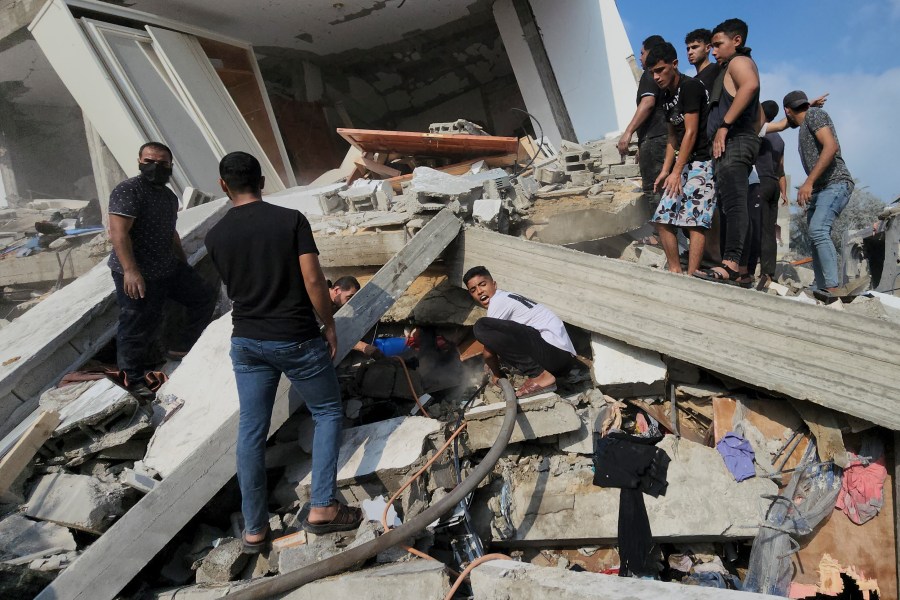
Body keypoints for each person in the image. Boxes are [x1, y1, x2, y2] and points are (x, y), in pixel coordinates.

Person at [205, 151, 362, 553]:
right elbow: (313, 280)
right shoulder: (289, 220)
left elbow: (234, 289)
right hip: (294, 337)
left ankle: (255, 531)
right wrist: (329, 324)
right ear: (261, 181)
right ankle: (323, 506)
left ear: (223, 186)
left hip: (247, 342)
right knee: (327, 411)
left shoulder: (215, 236)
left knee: (251, 434)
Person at [107, 142, 215, 402]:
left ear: (170, 167)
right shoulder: (128, 191)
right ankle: (132, 380)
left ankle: (181, 346)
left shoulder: (168, 197)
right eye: (149, 161)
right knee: (136, 321)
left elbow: (172, 233)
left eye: (162, 163)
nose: (155, 167)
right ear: (139, 161)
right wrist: (131, 271)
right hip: (137, 271)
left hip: (166, 266)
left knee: (203, 296)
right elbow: (118, 233)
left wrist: (183, 263)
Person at [693, 18, 761, 285]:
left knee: (733, 205)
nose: (714, 50)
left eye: (718, 44)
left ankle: (730, 264)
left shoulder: (739, 62)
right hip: (733, 143)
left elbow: (751, 86)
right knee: (730, 204)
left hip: (733, 142)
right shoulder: (730, 66)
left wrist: (725, 126)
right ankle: (741, 268)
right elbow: (760, 116)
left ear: (737, 41)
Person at [769, 91, 854, 292]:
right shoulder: (807, 120)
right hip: (822, 187)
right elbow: (779, 125)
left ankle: (832, 287)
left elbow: (830, 146)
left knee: (818, 230)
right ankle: (823, 286)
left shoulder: (815, 116)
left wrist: (808, 182)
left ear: (787, 110)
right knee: (814, 235)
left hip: (835, 183)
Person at [645, 42, 715, 276]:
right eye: (652, 72)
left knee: (694, 221)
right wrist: (666, 171)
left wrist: (677, 170)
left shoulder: (691, 87)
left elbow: (692, 132)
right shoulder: (665, 95)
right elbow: (672, 137)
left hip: (702, 162)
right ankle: (676, 271)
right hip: (680, 163)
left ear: (674, 65)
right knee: (662, 218)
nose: (656, 76)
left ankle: (691, 274)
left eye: (660, 70)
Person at [464, 266, 575, 399]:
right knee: (504, 330)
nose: (479, 291)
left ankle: (540, 375)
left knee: (481, 326)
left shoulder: (498, 301)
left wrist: (496, 373)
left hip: (556, 356)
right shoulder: (507, 296)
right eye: (473, 290)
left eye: (482, 284)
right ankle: (542, 374)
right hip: (563, 359)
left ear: (494, 284)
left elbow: (488, 353)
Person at [618, 35, 669, 209]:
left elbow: (647, 103)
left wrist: (628, 132)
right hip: (657, 141)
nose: (640, 57)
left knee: (654, 191)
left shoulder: (649, 75)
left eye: (642, 53)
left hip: (655, 142)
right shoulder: (663, 78)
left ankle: (664, 234)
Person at [749, 100, 787, 288]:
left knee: (755, 226)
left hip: (761, 182)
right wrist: (784, 193)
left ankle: (749, 270)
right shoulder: (779, 140)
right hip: (774, 185)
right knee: (769, 230)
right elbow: (781, 169)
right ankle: (768, 273)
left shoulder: (759, 130)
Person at [328, 276, 382, 358]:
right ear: (337, 290)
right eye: (349, 297)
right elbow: (334, 335)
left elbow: (341, 332)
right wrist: (363, 347)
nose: (350, 303)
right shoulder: (318, 302)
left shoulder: (333, 305)